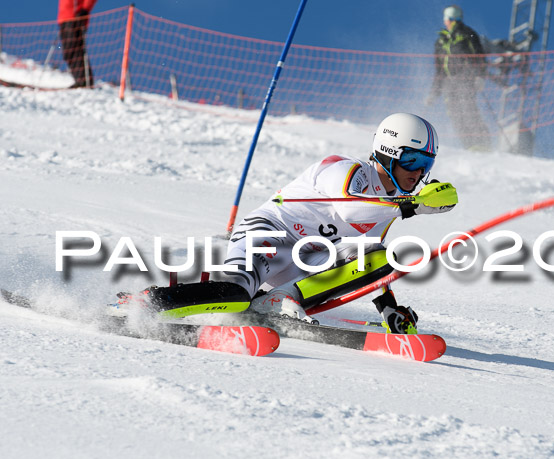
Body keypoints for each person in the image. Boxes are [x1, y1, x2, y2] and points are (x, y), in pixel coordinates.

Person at [135, 113, 458, 335]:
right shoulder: (343, 169)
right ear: (386, 153)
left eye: (425, 164)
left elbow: (365, 260)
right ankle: (146, 302)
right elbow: (350, 211)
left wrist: (389, 308)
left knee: (380, 256)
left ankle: (279, 299)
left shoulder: (388, 208)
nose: (417, 172)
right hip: (270, 235)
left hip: (306, 261)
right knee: (234, 294)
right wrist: (410, 207)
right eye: (411, 160)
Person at [426, 5, 491, 150]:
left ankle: (483, 144)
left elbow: (480, 56)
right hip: (449, 83)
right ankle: (470, 146)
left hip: (465, 79)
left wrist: (480, 76)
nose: (446, 22)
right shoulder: (441, 41)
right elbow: (439, 70)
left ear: (451, 19)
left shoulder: (468, 34)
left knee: (468, 110)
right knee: (455, 115)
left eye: (447, 19)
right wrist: (433, 93)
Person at [57, 0, 97, 88]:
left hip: (75, 17)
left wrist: (84, 9)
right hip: (64, 18)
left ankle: (84, 81)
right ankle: (80, 80)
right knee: (68, 53)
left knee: (74, 50)